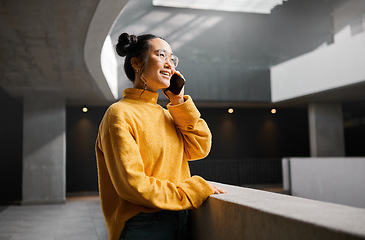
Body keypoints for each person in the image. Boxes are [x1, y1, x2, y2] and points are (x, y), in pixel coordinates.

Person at [95, 32, 226, 240]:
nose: (170, 65)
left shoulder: (168, 114)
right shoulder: (119, 114)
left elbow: (200, 147)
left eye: (172, 59)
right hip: (143, 225)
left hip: (181, 215)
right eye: (161, 55)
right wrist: (189, 192)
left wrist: (178, 101)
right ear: (137, 63)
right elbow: (132, 186)